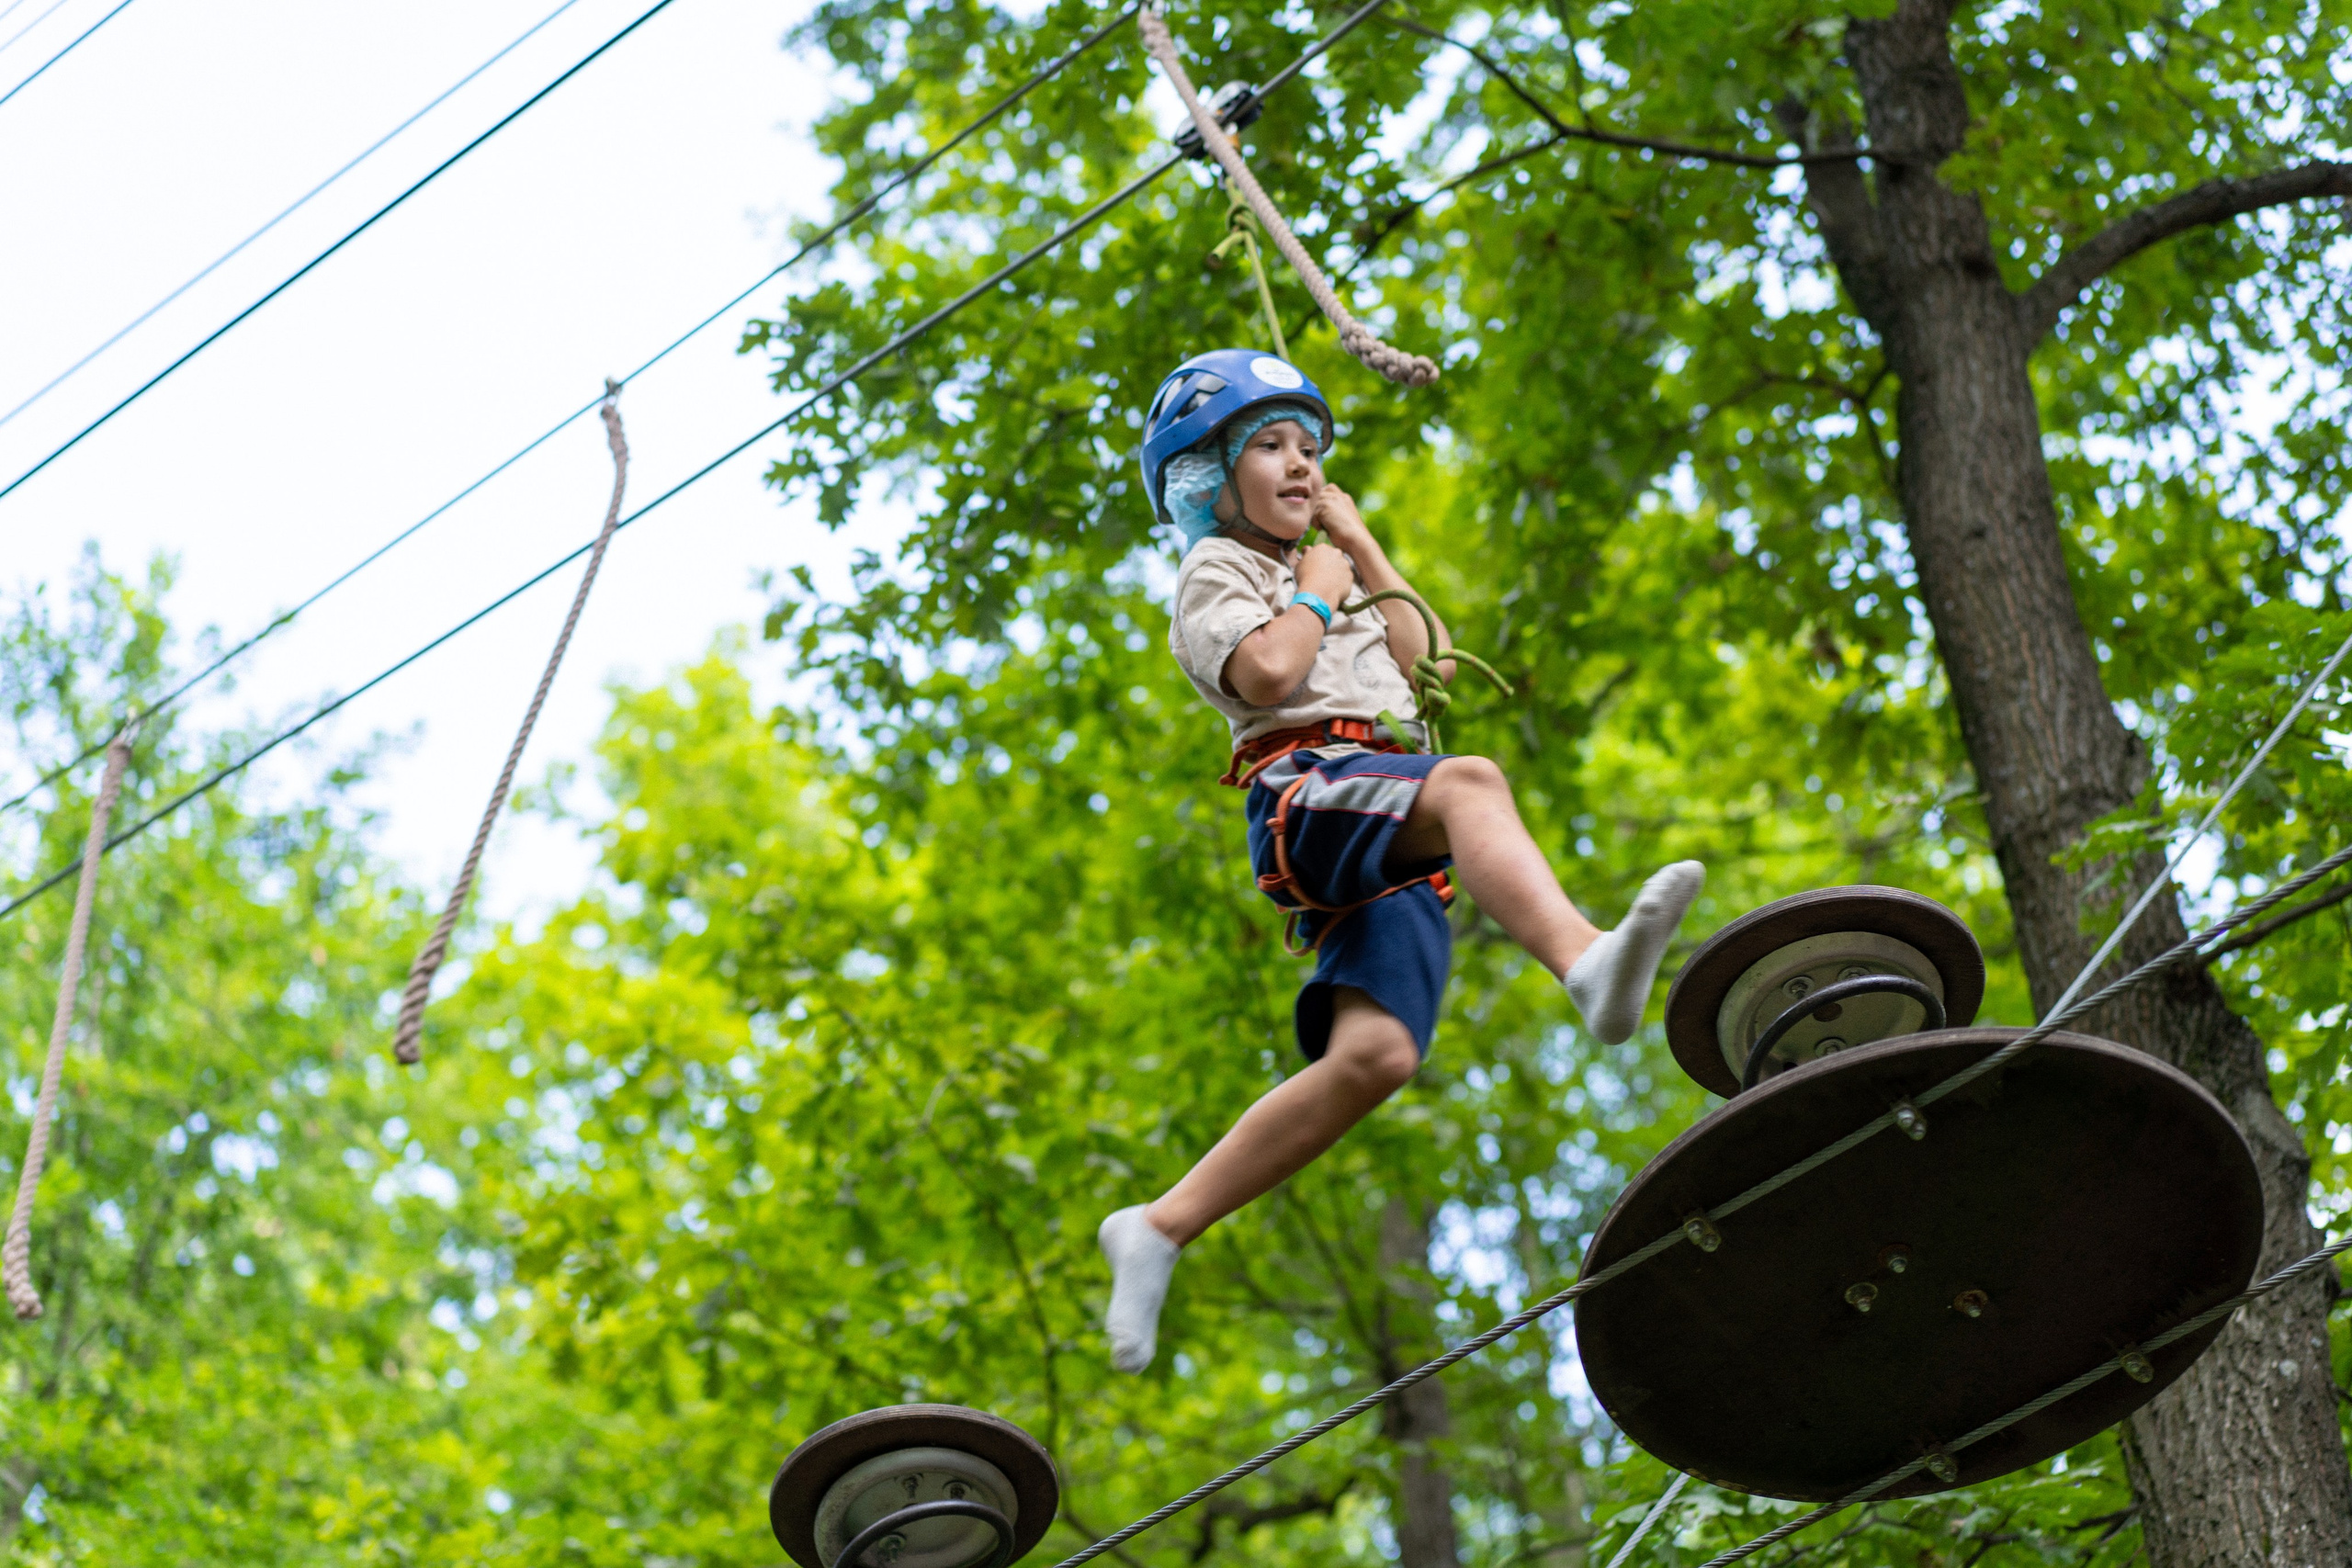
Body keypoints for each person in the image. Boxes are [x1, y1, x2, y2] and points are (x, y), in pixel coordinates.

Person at [1096, 349, 1705, 1373]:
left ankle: (1160, 1225)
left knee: (1377, 1056)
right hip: (1308, 791)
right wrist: (1315, 594)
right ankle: (1584, 960)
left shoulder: (1330, 567)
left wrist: (1361, 549)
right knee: (1469, 786)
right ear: (1210, 477)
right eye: (1270, 447)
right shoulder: (1220, 571)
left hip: (1381, 822)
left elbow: (1430, 665)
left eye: (1309, 448)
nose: (1300, 463)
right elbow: (1269, 670)